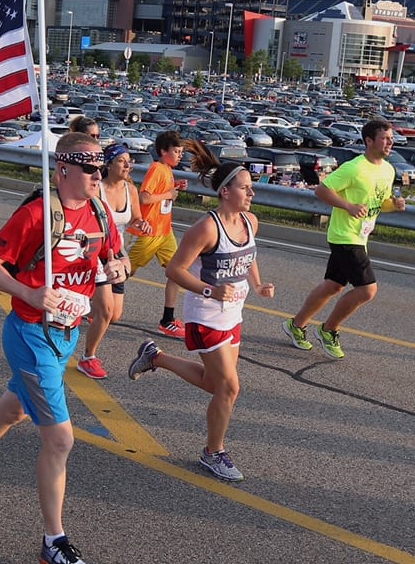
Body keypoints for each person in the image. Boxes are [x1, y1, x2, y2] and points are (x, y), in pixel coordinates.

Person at [0, 133, 125, 564]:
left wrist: (116, 269)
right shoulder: (37, 214)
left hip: (67, 334)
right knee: (60, 440)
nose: (100, 175)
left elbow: (118, 260)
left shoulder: (100, 211)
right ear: (63, 170)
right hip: (29, 333)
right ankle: (52, 542)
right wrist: (29, 292)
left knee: (13, 410)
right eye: (91, 168)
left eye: (102, 167)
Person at [127, 154, 275, 482]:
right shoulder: (207, 228)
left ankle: (156, 358)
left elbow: (248, 255)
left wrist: (258, 283)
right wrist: (210, 291)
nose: (251, 193)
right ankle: (214, 452)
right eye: (245, 188)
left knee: (214, 383)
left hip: (233, 314)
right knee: (229, 387)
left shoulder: (250, 221)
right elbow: (175, 270)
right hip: (206, 315)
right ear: (225, 192)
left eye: (252, 188)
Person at [281, 120, 404, 360]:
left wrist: (394, 206)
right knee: (367, 290)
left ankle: (296, 325)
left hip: (360, 235)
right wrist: (347, 205)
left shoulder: (388, 170)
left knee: (333, 285)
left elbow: (379, 203)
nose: (390, 142)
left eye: (391, 138)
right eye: (385, 138)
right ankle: (329, 330)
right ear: (369, 141)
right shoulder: (354, 167)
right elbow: (322, 189)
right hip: (344, 235)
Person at [75, 142, 144, 380]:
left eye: (129, 160)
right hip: (96, 254)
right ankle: (88, 357)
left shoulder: (130, 190)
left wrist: (141, 225)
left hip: (118, 254)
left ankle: (83, 307)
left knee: (115, 315)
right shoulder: (97, 189)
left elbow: (135, 220)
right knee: (105, 311)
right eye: (122, 161)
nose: (128, 165)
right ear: (109, 164)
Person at [129, 130, 189, 339]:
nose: (180, 155)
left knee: (177, 272)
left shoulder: (167, 170)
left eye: (182, 152)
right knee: (123, 271)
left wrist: (175, 186)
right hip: (146, 233)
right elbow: (144, 197)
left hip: (164, 232)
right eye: (177, 151)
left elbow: (163, 197)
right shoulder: (156, 168)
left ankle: (167, 320)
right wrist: (169, 193)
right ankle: (95, 302)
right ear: (164, 151)